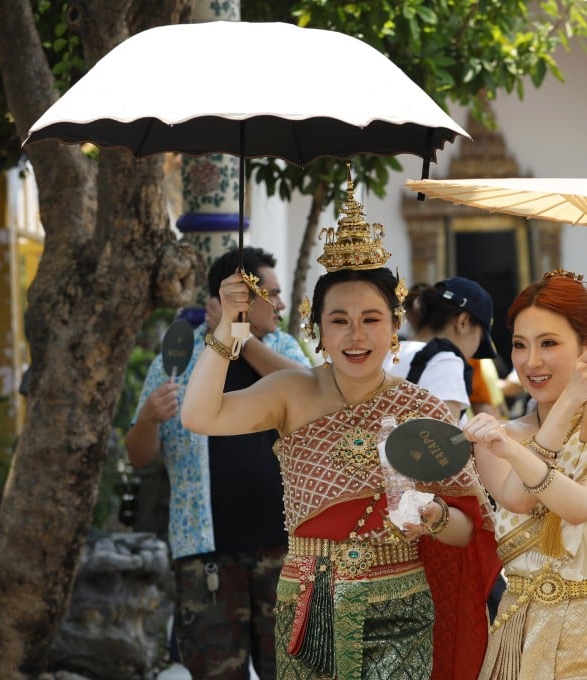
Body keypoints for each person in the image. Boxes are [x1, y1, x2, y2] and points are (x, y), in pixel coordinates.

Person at [182, 184, 501, 679]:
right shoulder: (292, 391)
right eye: (340, 320)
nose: (356, 335)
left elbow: (469, 529)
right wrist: (228, 330)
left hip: (401, 606)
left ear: (394, 326)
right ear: (318, 329)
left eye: (371, 319)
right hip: (310, 605)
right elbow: (199, 416)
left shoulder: (420, 406)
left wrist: (434, 513)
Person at [462, 269, 587, 679]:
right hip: (520, 634)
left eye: (549, 343)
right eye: (520, 345)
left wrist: (570, 401)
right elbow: (518, 498)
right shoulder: (497, 439)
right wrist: (565, 405)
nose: (530, 362)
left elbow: (580, 506)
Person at [126, 246, 309, 679]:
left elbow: (309, 397)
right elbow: (139, 456)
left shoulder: (282, 349)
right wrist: (148, 420)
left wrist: (240, 338)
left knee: (291, 671)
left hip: (285, 550)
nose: (282, 305)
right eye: (274, 294)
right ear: (241, 297)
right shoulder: (178, 359)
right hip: (205, 556)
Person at [389, 277, 497, 422]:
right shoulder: (444, 362)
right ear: (463, 322)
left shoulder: (389, 353)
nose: (473, 352)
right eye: (481, 338)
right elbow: (444, 441)